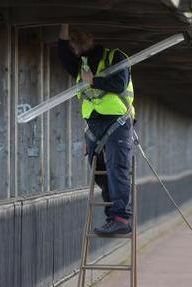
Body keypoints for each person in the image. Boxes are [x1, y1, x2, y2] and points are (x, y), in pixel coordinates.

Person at [57, 24, 135, 237]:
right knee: (99, 170)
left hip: (117, 122)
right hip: (93, 125)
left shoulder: (115, 57)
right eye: (73, 38)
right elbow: (63, 54)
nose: (76, 40)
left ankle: (121, 217)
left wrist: (94, 81)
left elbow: (119, 85)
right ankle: (113, 215)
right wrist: (63, 27)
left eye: (80, 35)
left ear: (92, 36)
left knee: (117, 167)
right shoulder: (80, 64)